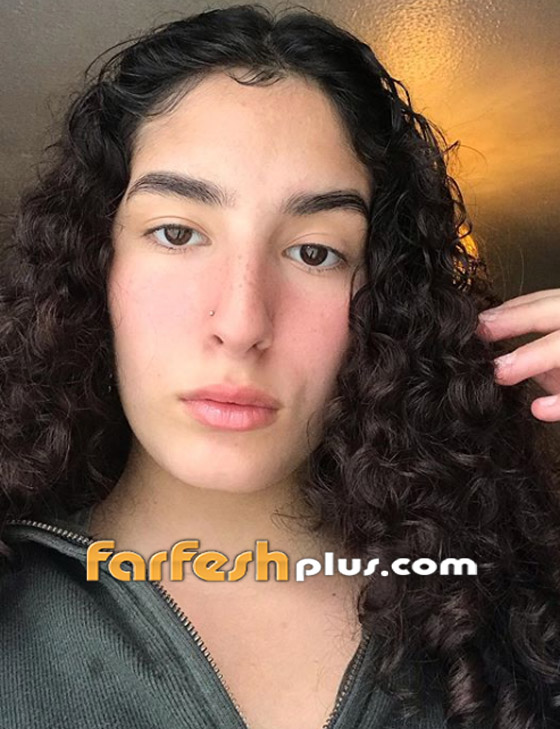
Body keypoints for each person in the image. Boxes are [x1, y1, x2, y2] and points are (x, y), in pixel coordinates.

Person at [1, 4, 560, 728]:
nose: (242, 324)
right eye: (177, 234)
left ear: (385, 303)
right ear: (94, 266)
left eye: (314, 252)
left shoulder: (500, 612)